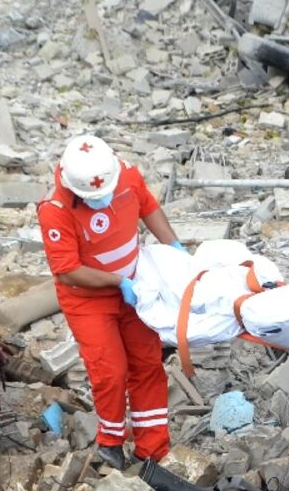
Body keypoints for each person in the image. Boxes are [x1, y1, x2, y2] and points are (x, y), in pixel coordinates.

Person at [37, 135, 187, 470]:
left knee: (147, 364)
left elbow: (148, 207)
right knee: (110, 371)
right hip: (88, 300)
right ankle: (110, 441)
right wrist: (119, 282)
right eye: (93, 198)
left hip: (136, 286)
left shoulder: (124, 174)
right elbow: (68, 271)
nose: (101, 201)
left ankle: (153, 448)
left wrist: (175, 246)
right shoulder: (55, 209)